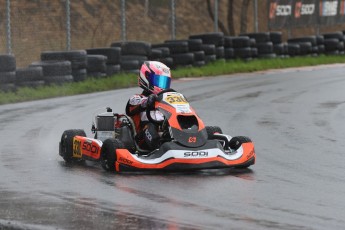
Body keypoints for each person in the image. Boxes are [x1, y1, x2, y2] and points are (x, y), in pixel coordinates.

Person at [125, 61, 172, 151]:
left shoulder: (166, 100)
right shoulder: (136, 98)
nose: (162, 86)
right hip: (142, 137)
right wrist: (147, 101)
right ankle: (160, 149)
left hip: (163, 132)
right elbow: (131, 108)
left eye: (164, 82)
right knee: (150, 127)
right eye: (158, 81)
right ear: (146, 78)